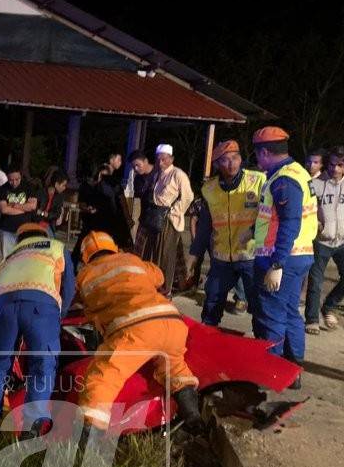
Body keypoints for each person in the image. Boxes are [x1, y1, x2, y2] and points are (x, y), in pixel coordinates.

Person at [75, 231, 203, 434]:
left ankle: (91, 438)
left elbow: (79, 303)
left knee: (103, 376)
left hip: (135, 329)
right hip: (172, 322)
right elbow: (159, 276)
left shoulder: (85, 275)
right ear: (114, 248)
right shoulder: (131, 259)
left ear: (85, 257)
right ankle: (192, 414)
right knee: (175, 368)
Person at [0, 223, 75, 437]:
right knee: (42, 366)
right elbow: (69, 287)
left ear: (19, 238)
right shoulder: (56, 246)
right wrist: (58, 316)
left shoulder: (11, 255)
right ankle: (31, 429)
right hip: (40, 304)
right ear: (44, 234)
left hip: (1, 305)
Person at [251, 127, 317, 388]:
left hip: (282, 259)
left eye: (257, 154)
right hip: (299, 256)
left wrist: (276, 264)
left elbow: (290, 222)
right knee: (290, 313)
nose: (257, 160)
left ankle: (272, 373)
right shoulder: (297, 171)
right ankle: (293, 371)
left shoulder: (283, 180)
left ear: (265, 152)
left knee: (272, 315)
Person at [188, 140, 265, 326]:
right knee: (212, 299)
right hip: (222, 257)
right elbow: (205, 226)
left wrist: (254, 233)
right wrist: (193, 255)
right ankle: (208, 337)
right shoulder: (209, 189)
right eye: (225, 160)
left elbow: (270, 217)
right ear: (217, 164)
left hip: (250, 255)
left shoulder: (258, 180)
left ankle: (262, 344)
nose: (231, 164)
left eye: (235, 158)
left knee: (259, 305)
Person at [304, 146, 344, 334]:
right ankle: (311, 319)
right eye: (332, 164)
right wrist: (317, 225)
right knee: (316, 281)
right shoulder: (316, 183)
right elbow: (309, 207)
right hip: (321, 240)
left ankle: (328, 306)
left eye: (340, 165)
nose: (335, 169)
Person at [134, 144, 194, 293]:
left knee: (165, 256)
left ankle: (165, 289)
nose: (161, 163)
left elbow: (188, 196)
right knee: (150, 253)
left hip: (169, 219)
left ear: (171, 159)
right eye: (159, 159)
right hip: (153, 217)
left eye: (164, 160)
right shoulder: (156, 174)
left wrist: (174, 211)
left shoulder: (177, 174)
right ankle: (152, 283)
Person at [0, 168, 37, 258]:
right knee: (6, 260)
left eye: (17, 179)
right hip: (7, 230)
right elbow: (4, 210)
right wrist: (25, 208)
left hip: (25, 230)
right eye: (11, 180)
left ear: (21, 176)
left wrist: (14, 205)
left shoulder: (29, 187)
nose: (14, 183)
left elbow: (33, 206)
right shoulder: (2, 189)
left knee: (23, 260)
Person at [35, 170, 68, 237]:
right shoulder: (40, 192)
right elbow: (34, 210)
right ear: (56, 184)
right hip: (36, 222)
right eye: (63, 185)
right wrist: (43, 214)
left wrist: (44, 214)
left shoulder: (60, 197)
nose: (65, 188)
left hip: (48, 224)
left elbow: (57, 213)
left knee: (50, 241)